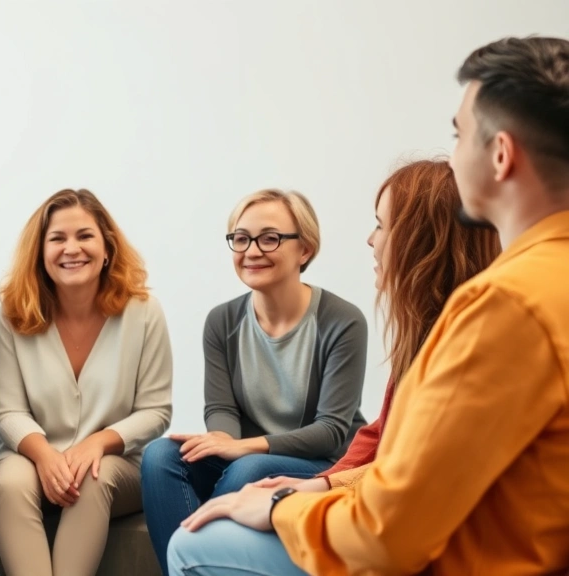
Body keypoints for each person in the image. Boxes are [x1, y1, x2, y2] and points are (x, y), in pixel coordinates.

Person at [167, 36, 569, 576]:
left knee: (193, 544)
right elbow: (402, 455)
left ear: (501, 155)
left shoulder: (504, 306)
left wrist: (282, 505)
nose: (453, 157)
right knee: (169, 459)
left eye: (459, 135)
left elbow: (386, 532)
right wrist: (322, 485)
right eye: (241, 237)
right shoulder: (542, 283)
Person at [141, 188, 368, 575]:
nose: (251, 251)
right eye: (241, 238)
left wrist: (242, 448)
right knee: (160, 455)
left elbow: (330, 431)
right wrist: (225, 441)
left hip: (321, 460)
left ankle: (203, 558)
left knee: (248, 469)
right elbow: (221, 408)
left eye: (270, 238)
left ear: (305, 250)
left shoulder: (342, 321)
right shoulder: (222, 321)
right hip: (247, 455)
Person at [253, 160, 500, 497]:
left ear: (421, 241)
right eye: (241, 238)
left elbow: (411, 463)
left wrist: (317, 487)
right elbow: (380, 431)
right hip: (375, 488)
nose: (371, 240)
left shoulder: (465, 342)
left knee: (247, 475)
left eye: (381, 226)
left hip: (399, 503)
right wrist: (322, 483)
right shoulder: (424, 329)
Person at [0, 188, 173, 576]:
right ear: (40, 253)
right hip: (30, 455)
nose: (71, 248)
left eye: (85, 236)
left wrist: (97, 443)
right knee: (10, 483)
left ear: (107, 248)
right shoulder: (14, 313)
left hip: (117, 463)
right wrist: (44, 456)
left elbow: (155, 411)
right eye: (57, 238)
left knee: (93, 476)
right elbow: (8, 411)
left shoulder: (144, 311)